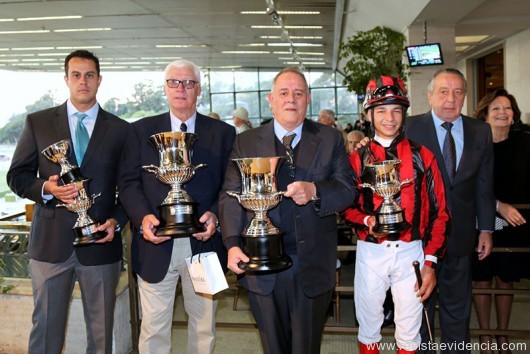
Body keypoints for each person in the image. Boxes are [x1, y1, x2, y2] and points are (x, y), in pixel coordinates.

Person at [218, 67, 356, 354]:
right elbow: (230, 196)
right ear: (270, 99)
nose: (290, 99)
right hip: (261, 264)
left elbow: (347, 189)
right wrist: (231, 244)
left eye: (298, 93)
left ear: (308, 98)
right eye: (283, 93)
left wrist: (316, 191)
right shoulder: (245, 141)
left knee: (306, 348)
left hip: (313, 265)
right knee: (273, 348)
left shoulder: (330, 139)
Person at [6, 49, 129, 354]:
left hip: (101, 243)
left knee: (101, 338)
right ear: (66, 79)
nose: (83, 81)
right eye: (76, 75)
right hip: (50, 246)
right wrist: (46, 188)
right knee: (45, 331)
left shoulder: (122, 130)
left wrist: (116, 220)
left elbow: (131, 187)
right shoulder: (39, 122)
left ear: (99, 80)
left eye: (89, 75)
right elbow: (17, 176)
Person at [118, 59, 236, 354]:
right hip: (156, 243)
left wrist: (216, 216)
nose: (181, 88)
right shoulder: (139, 131)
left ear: (199, 90)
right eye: (174, 82)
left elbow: (231, 185)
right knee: (154, 328)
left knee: (204, 326)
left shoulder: (223, 133)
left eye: (189, 83)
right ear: (165, 88)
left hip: (205, 246)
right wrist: (143, 217)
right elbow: (129, 183)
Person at [344, 76, 449, 354]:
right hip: (370, 252)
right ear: (368, 114)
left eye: (396, 110)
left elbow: (441, 213)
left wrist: (430, 261)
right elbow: (346, 207)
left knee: (409, 330)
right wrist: (368, 220)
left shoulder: (423, 155)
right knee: (368, 327)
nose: (389, 118)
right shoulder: (356, 159)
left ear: (404, 113)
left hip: (411, 252)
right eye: (381, 110)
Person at [406, 68, 495, 354]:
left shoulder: (480, 130)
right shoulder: (409, 129)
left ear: (465, 97)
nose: (450, 99)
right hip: (419, 240)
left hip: (461, 236)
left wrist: (486, 229)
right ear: (430, 95)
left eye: (458, 92)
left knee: (458, 311)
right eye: (443, 91)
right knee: (419, 311)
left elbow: (484, 184)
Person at [472, 88, 530, 354]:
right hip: (480, 220)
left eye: (507, 108)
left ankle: (503, 337)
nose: (502, 113)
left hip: (514, 224)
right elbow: (468, 185)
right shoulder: (474, 145)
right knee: (482, 280)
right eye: (495, 108)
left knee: (506, 280)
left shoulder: (524, 143)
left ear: (514, 115)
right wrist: (498, 206)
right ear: (484, 114)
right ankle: (485, 338)